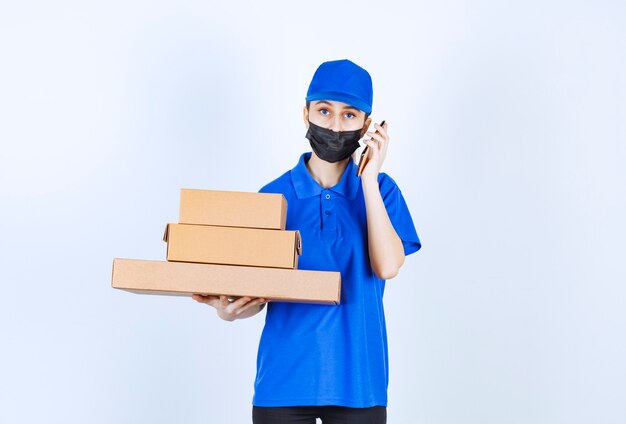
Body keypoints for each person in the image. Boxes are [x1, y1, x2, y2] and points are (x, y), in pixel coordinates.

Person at [192, 59, 421, 424]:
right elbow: (259, 293)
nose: (334, 124)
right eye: (325, 110)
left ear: (367, 125)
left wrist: (369, 180)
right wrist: (229, 310)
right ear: (306, 114)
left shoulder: (382, 191)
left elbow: (388, 266)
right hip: (283, 384)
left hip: (358, 385)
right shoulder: (272, 198)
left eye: (349, 115)